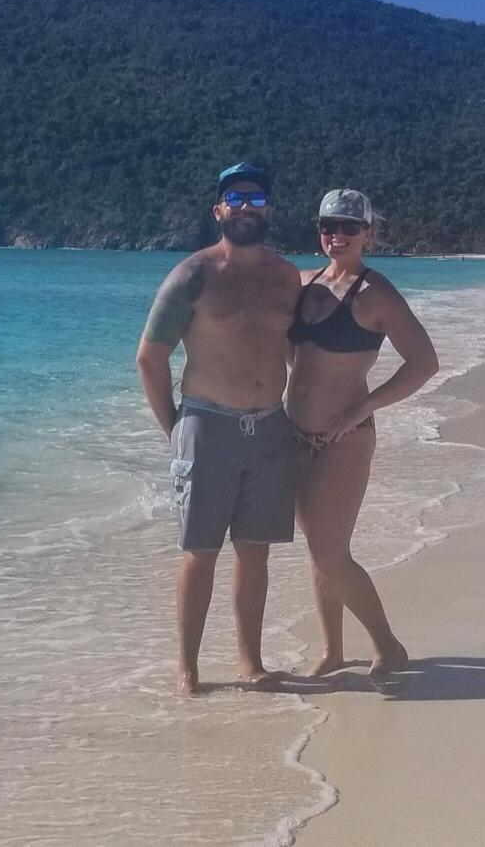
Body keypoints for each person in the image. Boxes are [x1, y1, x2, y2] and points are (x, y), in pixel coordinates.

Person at [136, 162, 303, 695]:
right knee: (201, 550)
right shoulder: (193, 275)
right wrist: (175, 428)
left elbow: (296, 352)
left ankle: (250, 662)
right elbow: (150, 357)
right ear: (218, 210)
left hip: (270, 426)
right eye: (236, 198)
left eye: (257, 198)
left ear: (269, 211)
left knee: (255, 551)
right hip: (207, 424)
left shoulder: (287, 277)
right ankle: (187, 669)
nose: (246, 207)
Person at [286, 189, 439, 679]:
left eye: (350, 227)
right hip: (295, 435)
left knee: (330, 553)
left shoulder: (375, 293)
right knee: (317, 550)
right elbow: (291, 355)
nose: (337, 234)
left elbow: (424, 362)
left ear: (368, 234)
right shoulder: (304, 284)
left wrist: (361, 407)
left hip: (344, 440)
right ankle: (332, 652)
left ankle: (388, 647)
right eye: (328, 225)